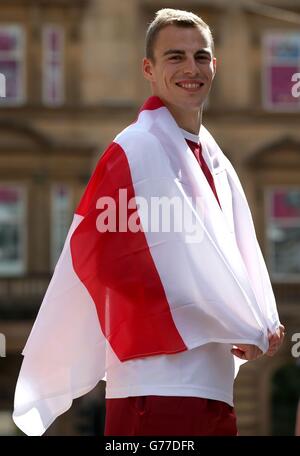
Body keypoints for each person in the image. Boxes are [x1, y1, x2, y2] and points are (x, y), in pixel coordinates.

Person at [13, 9, 285, 437]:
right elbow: (105, 261)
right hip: (154, 388)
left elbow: (233, 259)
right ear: (149, 69)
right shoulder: (133, 149)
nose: (191, 69)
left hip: (213, 389)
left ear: (216, 65)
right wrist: (226, 318)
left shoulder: (217, 162)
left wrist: (257, 318)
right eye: (175, 57)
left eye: (201, 56)